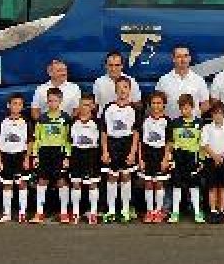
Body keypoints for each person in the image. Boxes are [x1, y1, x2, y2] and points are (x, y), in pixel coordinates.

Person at [29, 87, 71, 224]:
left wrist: (67, 156)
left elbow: (68, 139)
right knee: (42, 180)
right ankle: (39, 213)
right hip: (44, 152)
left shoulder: (65, 118)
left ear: (60, 101)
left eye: (55, 100)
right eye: (50, 101)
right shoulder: (42, 118)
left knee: (61, 181)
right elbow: (37, 138)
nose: (52, 103)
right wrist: (35, 155)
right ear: (47, 101)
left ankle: (64, 213)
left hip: (59, 152)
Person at [101, 76, 140, 223]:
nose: (122, 90)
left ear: (129, 90)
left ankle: (125, 209)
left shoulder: (134, 109)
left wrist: (132, 152)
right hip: (112, 145)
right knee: (112, 176)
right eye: (120, 87)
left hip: (127, 145)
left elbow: (136, 133)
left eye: (125, 87)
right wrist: (105, 151)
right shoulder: (109, 107)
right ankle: (111, 210)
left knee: (126, 176)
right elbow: (104, 131)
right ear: (115, 89)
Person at [0, 93, 32, 223]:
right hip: (5, 157)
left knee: (22, 184)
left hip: (20, 156)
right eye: (14, 103)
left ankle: (22, 213)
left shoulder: (26, 122)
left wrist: (27, 158)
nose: (17, 106)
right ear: (8, 105)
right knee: (7, 184)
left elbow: (30, 142)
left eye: (20, 104)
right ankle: (7, 213)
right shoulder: (2, 122)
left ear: (23, 106)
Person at [168, 93, 204, 223]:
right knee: (177, 184)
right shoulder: (175, 123)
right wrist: (170, 158)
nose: (185, 110)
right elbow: (171, 142)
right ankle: (175, 212)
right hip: (178, 156)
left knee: (194, 185)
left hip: (193, 157)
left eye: (187, 108)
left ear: (192, 107)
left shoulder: (199, 123)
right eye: (182, 108)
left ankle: (197, 212)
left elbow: (202, 143)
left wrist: (201, 160)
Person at [200, 100, 224, 224]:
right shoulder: (206, 127)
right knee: (212, 187)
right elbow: (204, 144)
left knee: (223, 187)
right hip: (210, 160)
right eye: (215, 113)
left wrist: (221, 157)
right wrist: (215, 156)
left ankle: (222, 211)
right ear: (212, 115)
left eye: (220, 113)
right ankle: (213, 211)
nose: (218, 116)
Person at [67, 95, 101, 224]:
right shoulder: (73, 121)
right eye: (82, 104)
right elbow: (68, 141)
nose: (84, 108)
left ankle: (93, 212)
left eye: (87, 105)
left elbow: (102, 140)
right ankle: (75, 213)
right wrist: (67, 157)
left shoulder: (98, 122)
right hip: (76, 155)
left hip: (92, 155)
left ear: (93, 107)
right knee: (76, 183)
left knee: (93, 183)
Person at [139, 92, 171, 224]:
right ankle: (149, 211)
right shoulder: (145, 120)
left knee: (159, 183)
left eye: (159, 103)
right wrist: (140, 159)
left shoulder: (167, 121)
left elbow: (169, 142)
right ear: (149, 105)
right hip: (147, 155)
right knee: (148, 183)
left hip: (160, 155)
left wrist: (165, 159)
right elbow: (141, 141)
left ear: (164, 104)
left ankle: (158, 211)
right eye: (153, 103)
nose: (156, 106)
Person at [155, 45, 211, 118]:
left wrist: (193, 116)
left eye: (185, 56)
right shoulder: (163, 80)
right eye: (179, 56)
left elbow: (206, 104)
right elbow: (156, 104)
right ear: (173, 59)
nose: (183, 59)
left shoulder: (199, 80)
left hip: (191, 127)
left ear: (190, 58)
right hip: (169, 125)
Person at [92, 51, 142, 115]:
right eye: (110, 65)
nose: (113, 69)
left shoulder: (132, 81)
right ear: (106, 66)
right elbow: (96, 106)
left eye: (117, 65)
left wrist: (128, 104)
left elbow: (139, 105)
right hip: (104, 120)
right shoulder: (98, 82)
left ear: (122, 66)